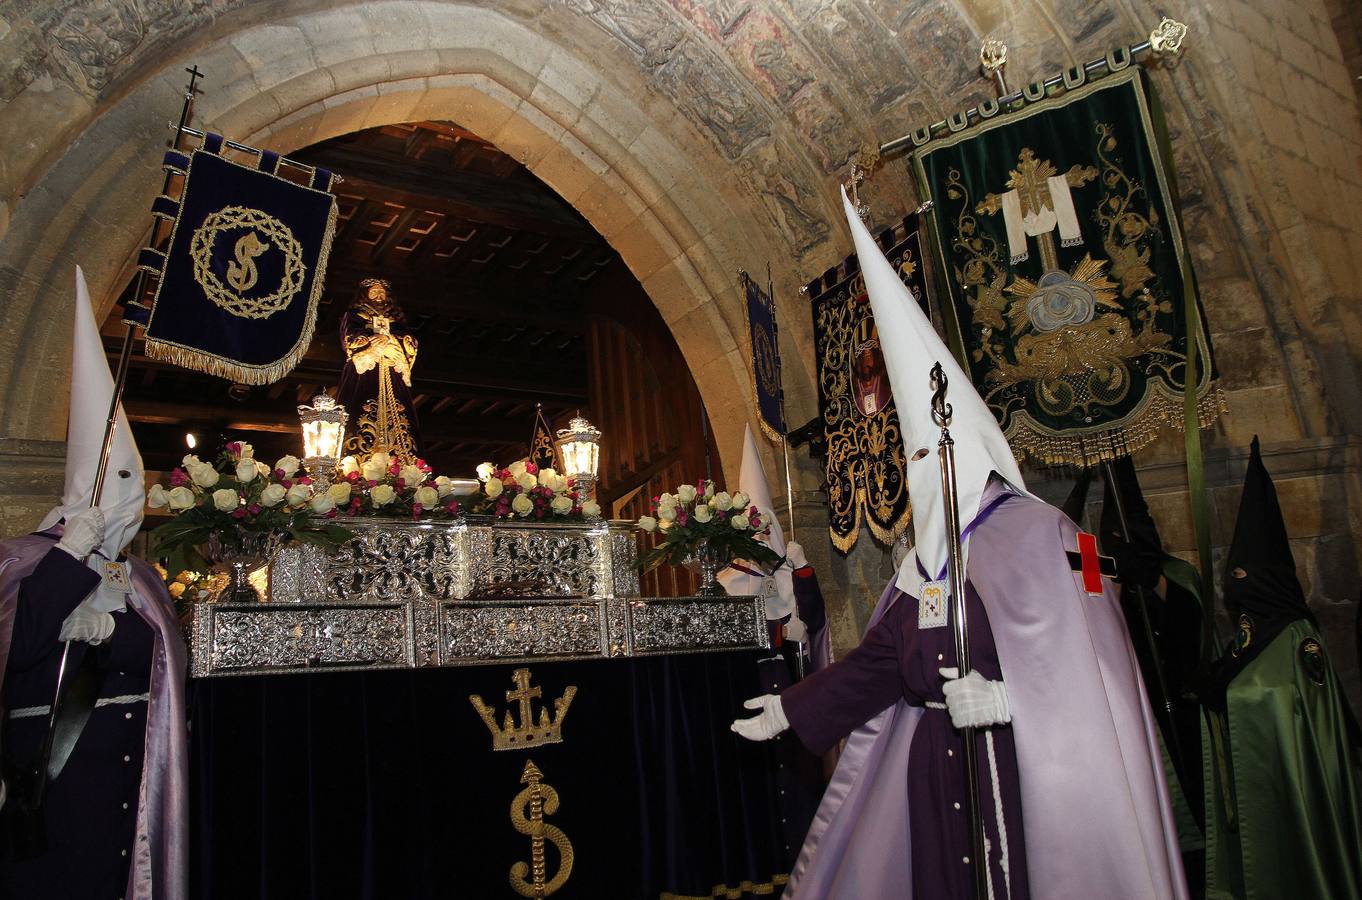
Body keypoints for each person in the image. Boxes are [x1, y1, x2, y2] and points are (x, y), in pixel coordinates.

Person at [732, 189, 1187, 899]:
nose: (915, 475)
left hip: (1017, 773)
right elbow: (884, 662)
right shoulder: (926, 561)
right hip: (935, 772)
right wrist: (793, 709)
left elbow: (1094, 672)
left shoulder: (1046, 536)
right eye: (910, 459)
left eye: (924, 458)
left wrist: (1009, 702)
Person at [0, 267, 188, 900]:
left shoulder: (138, 576)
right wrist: (68, 556)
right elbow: (18, 644)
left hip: (127, 787)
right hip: (52, 783)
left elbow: (165, 662)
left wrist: (111, 631)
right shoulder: (20, 560)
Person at [1201, 437, 1362, 899]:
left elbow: (1290, 707)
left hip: (1298, 785)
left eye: (1247, 578)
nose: (1239, 588)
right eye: (1235, 579)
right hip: (1266, 781)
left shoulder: (1299, 640)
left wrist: (1233, 692)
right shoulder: (1252, 632)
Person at [336, 277, 422, 461]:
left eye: (382, 292)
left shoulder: (395, 319)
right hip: (366, 368)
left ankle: (402, 461)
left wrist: (390, 339)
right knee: (360, 409)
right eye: (374, 291)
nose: (378, 295)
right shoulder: (354, 314)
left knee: (400, 416)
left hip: (391, 367)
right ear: (365, 294)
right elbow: (349, 336)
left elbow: (410, 341)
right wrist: (371, 340)